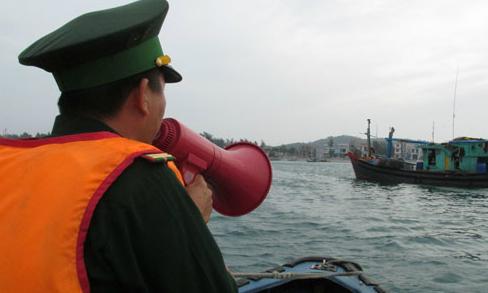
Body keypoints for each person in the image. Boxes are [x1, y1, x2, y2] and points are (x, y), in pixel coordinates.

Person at [0, 0, 237, 292]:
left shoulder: (7, 161)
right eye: (161, 89)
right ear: (142, 96)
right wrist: (188, 222)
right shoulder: (138, 176)